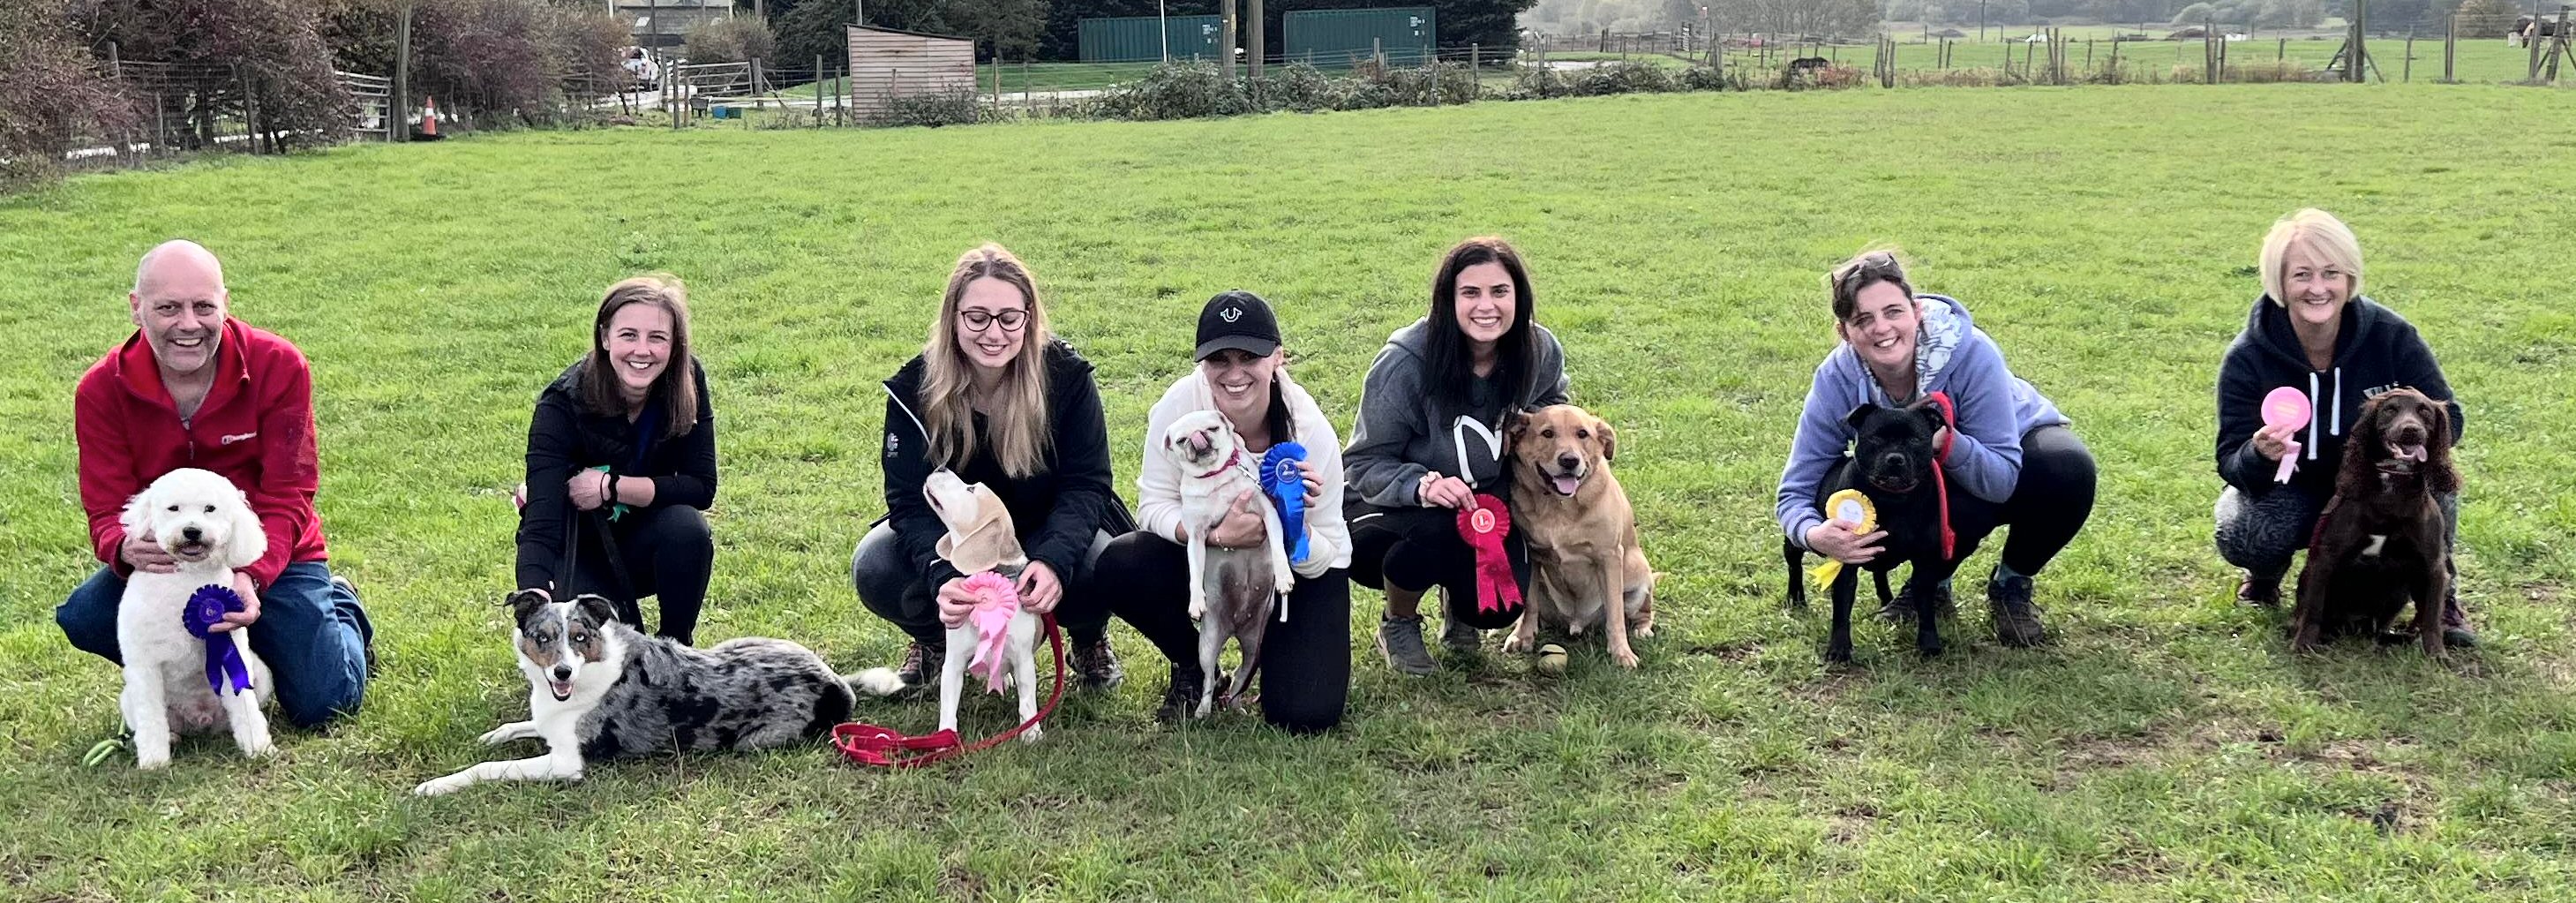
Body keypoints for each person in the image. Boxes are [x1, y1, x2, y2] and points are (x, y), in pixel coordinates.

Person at [56, 239, 374, 728]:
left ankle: (340, 607)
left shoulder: (279, 365)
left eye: (203, 306)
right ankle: (231, 654)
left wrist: (250, 575)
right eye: (168, 308)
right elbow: (104, 508)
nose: (188, 324)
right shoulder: (101, 389)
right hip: (170, 564)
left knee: (323, 703)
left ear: (226, 303)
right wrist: (122, 548)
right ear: (136, 308)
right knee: (85, 616)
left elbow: (289, 491)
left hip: (271, 552)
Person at [1775, 248, 2095, 647]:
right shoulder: (1836, 377)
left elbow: (1998, 480)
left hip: (2012, 451)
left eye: (1893, 311)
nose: (1882, 329)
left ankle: (2011, 584)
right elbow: (1795, 489)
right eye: (1863, 320)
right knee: (1911, 487)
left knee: (2066, 467)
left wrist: (1947, 444)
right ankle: (1933, 584)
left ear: (1916, 311)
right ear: (1845, 332)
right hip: (1922, 468)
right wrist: (1813, 534)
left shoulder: (1973, 352)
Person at [852, 244, 1131, 692]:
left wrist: (1054, 561)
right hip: (961, 538)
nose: (993, 333)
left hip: (1047, 523)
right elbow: (907, 502)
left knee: (1108, 562)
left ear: (1029, 317)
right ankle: (936, 641)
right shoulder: (913, 389)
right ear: (953, 318)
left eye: (1009, 317)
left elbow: (1087, 485)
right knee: (876, 564)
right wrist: (942, 576)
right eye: (977, 317)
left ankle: (1087, 637)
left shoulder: (1066, 378)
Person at [2212, 208, 2475, 645]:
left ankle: (2441, 598)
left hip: (2378, 485)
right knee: (2247, 531)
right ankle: (2264, 576)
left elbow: (2451, 416)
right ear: (2280, 283)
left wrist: (2405, 441)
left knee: (2436, 482)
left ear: (2350, 278)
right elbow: (2230, 460)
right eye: (2301, 275)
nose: (2318, 289)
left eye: (2331, 273)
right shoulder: (2249, 356)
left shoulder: (2393, 337)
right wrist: (2259, 453)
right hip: (2300, 488)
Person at [1096, 290, 1351, 729]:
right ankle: (1195, 666)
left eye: (1249, 357)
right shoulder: (1178, 410)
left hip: (1289, 577)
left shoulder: (1310, 429)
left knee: (1305, 714)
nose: (1234, 374)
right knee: (1122, 560)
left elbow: (1337, 550)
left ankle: (1273, 651)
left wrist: (1292, 534)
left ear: (1277, 359)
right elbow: (1152, 506)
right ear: (1202, 365)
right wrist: (1213, 536)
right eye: (1219, 360)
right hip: (1207, 565)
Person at [1344, 237, 1569, 674]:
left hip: (1488, 506)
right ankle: (1399, 621)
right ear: (1447, 300)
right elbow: (1363, 463)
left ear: (1518, 297)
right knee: (1437, 529)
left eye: (1500, 292)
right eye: (1470, 293)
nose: (1487, 306)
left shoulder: (1538, 350)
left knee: (1499, 609)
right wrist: (1422, 485)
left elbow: (1554, 411)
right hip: (1395, 505)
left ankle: (1460, 610)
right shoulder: (1405, 361)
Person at [513, 275, 717, 645]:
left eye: (657, 337)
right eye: (628, 335)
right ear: (605, 337)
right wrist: (535, 598)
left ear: (675, 345)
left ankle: (677, 648)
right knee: (616, 658)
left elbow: (702, 486)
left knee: (688, 529)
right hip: (580, 550)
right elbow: (541, 523)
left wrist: (611, 488)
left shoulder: (686, 381)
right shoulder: (561, 404)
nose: (642, 350)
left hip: (647, 542)